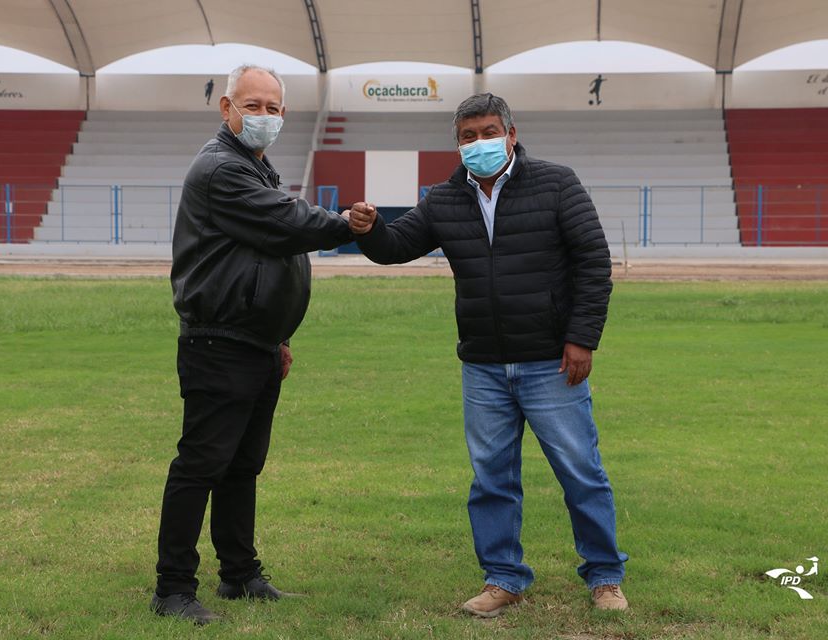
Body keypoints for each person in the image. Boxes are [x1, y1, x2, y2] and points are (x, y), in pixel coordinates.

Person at [348, 93, 629, 616]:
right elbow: (395, 246)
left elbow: (593, 262)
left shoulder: (557, 183)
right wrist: (369, 229)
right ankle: (503, 578)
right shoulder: (444, 199)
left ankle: (605, 577)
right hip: (483, 366)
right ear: (457, 144)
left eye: (489, 132)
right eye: (468, 136)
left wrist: (582, 338)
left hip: (551, 363)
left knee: (580, 472)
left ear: (511, 134)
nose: (479, 143)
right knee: (492, 479)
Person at [151, 64, 357, 625]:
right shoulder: (222, 168)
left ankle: (239, 574)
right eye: (253, 105)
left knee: (241, 466)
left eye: (273, 107)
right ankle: (173, 588)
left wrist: (278, 336)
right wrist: (346, 224)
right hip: (219, 341)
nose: (264, 116)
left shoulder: (255, 166)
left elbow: (263, 252)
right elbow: (285, 223)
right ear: (227, 108)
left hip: (255, 342)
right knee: (201, 464)